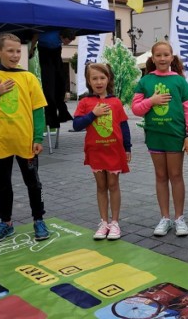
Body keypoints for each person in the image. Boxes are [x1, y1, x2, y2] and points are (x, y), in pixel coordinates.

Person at [0, 33, 50, 243]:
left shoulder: (28, 78)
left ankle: (39, 220)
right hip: (1, 142)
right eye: (10, 51)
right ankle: (5, 223)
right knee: (3, 184)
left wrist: (38, 138)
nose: (15, 55)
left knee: (33, 184)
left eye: (18, 51)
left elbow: (38, 110)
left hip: (26, 142)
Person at [131, 41, 188, 237]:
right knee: (160, 177)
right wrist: (151, 101)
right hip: (155, 135)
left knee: (176, 176)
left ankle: (179, 218)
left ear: (171, 57)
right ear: (152, 58)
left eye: (165, 55)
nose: (162, 58)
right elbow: (135, 109)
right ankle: (165, 218)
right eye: (158, 55)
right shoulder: (145, 81)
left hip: (175, 136)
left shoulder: (179, 81)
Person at [73, 63, 131, 241]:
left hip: (114, 150)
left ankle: (114, 222)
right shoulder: (85, 102)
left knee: (113, 185)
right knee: (101, 186)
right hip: (95, 151)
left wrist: (127, 147)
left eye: (102, 78)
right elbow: (76, 125)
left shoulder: (115, 101)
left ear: (108, 79)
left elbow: (124, 125)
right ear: (89, 81)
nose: (99, 82)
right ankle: (103, 222)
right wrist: (93, 114)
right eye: (94, 78)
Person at [29, 28, 75, 131]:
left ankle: (63, 113)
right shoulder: (48, 35)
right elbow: (36, 36)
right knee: (49, 85)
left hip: (56, 52)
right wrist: (31, 49)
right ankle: (51, 118)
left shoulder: (62, 36)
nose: (68, 43)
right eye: (67, 41)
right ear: (62, 36)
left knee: (61, 80)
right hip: (45, 52)